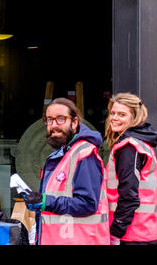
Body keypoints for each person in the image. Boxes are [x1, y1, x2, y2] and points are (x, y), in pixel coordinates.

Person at [22, 98, 109, 245]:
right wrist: (38, 201)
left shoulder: (84, 154)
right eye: (49, 120)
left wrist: (45, 201)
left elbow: (87, 203)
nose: (54, 125)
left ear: (74, 123)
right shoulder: (63, 154)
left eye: (60, 119)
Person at [105, 93, 157, 245]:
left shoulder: (129, 147)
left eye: (122, 114)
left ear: (134, 118)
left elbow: (129, 194)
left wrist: (116, 230)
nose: (114, 118)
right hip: (144, 230)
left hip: (133, 234)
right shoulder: (140, 143)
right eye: (113, 113)